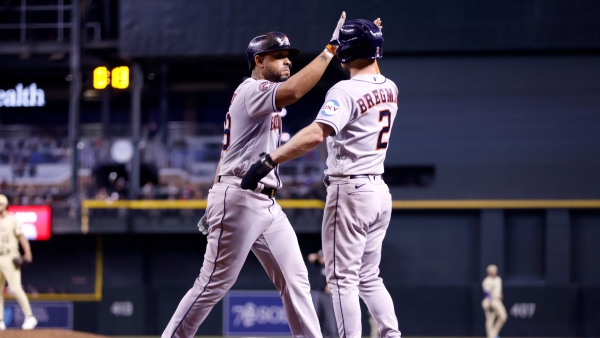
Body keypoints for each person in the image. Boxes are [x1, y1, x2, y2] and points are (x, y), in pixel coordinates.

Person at [162, 12, 349, 338]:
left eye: (289, 56)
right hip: (239, 197)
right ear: (259, 60)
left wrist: (212, 194)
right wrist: (329, 51)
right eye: (279, 56)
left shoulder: (261, 95)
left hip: (263, 203)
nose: (287, 62)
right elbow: (293, 92)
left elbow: (228, 151)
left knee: (296, 280)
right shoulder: (253, 89)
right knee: (213, 282)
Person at [241, 18, 401, 338]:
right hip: (379, 191)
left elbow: (316, 134)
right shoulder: (390, 87)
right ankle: (391, 334)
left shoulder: (344, 90)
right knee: (369, 277)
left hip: (351, 189)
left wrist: (271, 158)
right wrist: (366, 34)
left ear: (348, 50)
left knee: (341, 279)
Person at [0, 194, 37, 331]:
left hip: (10, 257)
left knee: (15, 288)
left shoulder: (12, 220)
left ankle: (29, 317)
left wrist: (28, 253)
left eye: (0, 204)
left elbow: (22, 237)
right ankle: (0, 320)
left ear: (5, 205)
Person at [308, 250, 337, 338]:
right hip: (319, 293)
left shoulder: (331, 265)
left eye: (323, 257)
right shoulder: (320, 265)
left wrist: (330, 285)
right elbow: (310, 257)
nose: (321, 259)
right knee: (319, 315)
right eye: (321, 257)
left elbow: (336, 275)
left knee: (329, 315)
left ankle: (333, 335)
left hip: (328, 294)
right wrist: (318, 255)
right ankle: (319, 334)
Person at [482, 264, 507, 338]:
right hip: (490, 301)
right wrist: (490, 302)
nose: (493, 272)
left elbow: (498, 290)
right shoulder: (486, 281)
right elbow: (487, 293)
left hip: (497, 301)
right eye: (492, 271)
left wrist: (500, 295)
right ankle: (490, 336)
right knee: (490, 319)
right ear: (489, 272)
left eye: (494, 271)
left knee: (503, 317)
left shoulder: (498, 279)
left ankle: (494, 334)